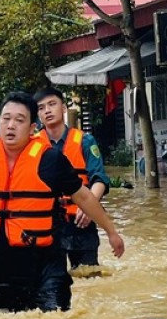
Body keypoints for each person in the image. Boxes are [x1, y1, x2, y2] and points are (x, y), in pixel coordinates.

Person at [0, 92, 125, 312]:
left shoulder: (50, 161)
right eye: (6, 119)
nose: (11, 125)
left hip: (46, 266)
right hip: (0, 266)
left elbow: (83, 196)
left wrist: (111, 232)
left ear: (32, 127)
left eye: (19, 120)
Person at [34, 86, 112, 273]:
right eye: (41, 107)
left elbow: (99, 179)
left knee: (88, 278)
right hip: (46, 223)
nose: (47, 111)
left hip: (80, 221)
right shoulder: (32, 145)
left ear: (63, 108)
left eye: (52, 104)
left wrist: (89, 206)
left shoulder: (85, 141)